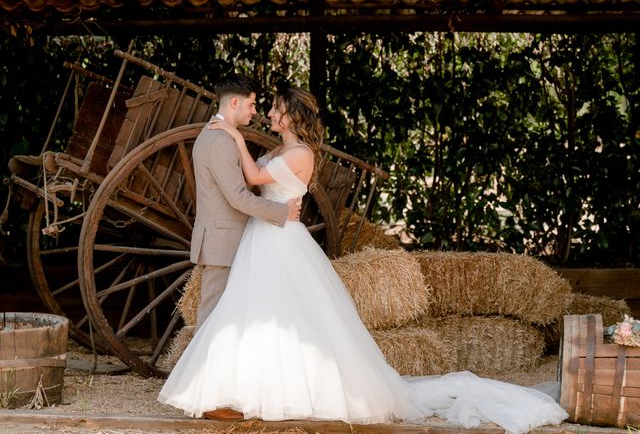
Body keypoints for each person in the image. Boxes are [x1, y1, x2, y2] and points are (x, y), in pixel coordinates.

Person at [159, 87, 568, 433]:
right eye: (264, 108)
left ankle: (283, 391)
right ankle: (245, 389)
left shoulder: (300, 153)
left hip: (280, 239)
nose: (268, 113)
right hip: (264, 237)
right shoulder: (281, 148)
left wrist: (232, 136)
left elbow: (252, 179)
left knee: (284, 315)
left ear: (291, 117)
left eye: (275, 110)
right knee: (260, 315)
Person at [190, 74, 300, 330]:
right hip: (222, 241)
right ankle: (203, 370)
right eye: (251, 104)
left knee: (223, 320)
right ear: (235, 103)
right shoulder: (219, 141)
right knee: (211, 321)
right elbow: (238, 197)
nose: (255, 111)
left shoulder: (220, 136)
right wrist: (283, 212)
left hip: (226, 239)